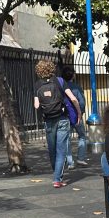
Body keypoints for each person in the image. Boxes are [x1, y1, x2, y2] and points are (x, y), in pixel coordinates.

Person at [33, 60, 82, 188]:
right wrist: (79, 113)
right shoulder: (60, 81)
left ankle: (56, 174)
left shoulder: (37, 84)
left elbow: (36, 105)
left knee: (52, 149)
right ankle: (57, 179)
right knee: (62, 150)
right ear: (52, 69)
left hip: (48, 120)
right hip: (62, 118)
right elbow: (73, 99)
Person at [60, 65, 89, 169]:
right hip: (76, 115)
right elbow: (81, 101)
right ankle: (80, 158)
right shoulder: (76, 87)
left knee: (66, 138)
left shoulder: (60, 86)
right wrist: (81, 113)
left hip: (64, 115)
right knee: (82, 136)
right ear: (72, 75)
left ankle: (70, 161)